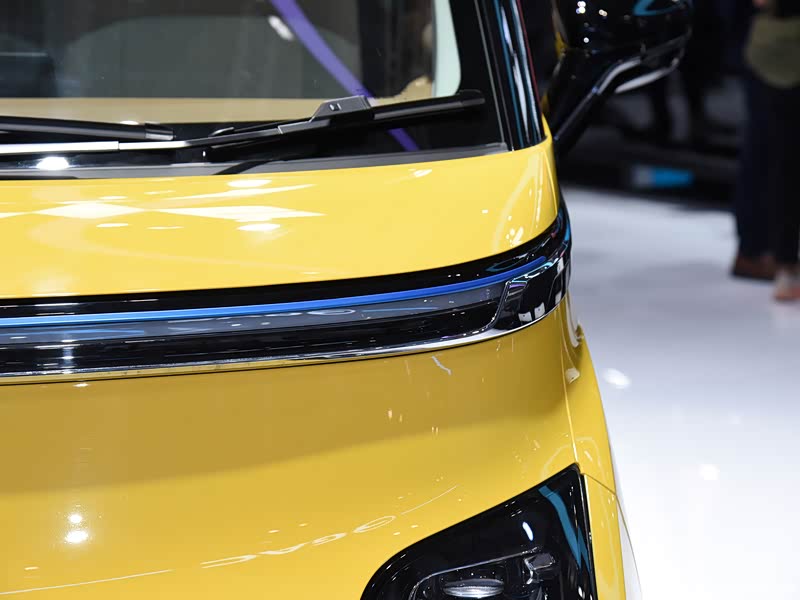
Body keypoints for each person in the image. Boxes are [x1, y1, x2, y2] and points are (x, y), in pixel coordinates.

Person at [744, 0, 800, 300]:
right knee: (783, 165)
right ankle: (785, 265)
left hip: (777, 50)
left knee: (782, 165)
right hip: (783, 52)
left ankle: (785, 267)